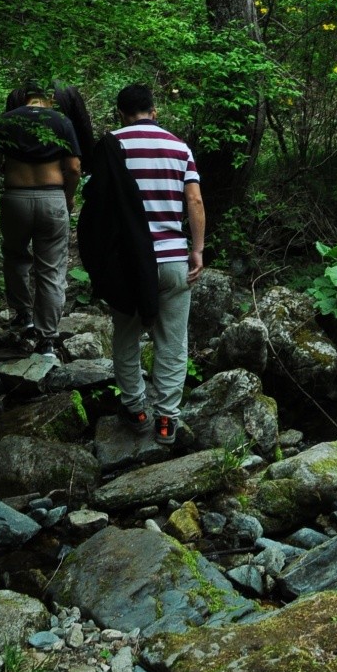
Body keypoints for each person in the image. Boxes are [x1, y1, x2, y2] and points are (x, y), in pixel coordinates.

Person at [107, 82, 205, 446]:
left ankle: (135, 408)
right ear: (154, 109)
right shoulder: (180, 148)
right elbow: (193, 201)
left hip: (128, 264)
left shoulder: (111, 146)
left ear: (120, 112)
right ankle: (166, 420)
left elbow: (100, 207)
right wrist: (196, 249)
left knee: (127, 335)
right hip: (172, 259)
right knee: (172, 339)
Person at [0, 82, 82, 354]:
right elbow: (73, 168)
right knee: (50, 269)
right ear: (49, 98)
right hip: (52, 198)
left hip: (16, 198)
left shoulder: (6, 120)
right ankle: (47, 337)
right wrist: (69, 197)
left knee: (15, 256)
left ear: (24, 97)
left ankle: (23, 314)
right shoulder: (61, 121)